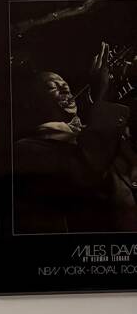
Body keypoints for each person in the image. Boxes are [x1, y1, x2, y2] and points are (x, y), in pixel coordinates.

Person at [13, 43, 137, 233]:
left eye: (66, 84)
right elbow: (87, 173)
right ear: (33, 103)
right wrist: (102, 93)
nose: (65, 88)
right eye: (52, 87)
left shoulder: (85, 134)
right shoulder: (25, 150)